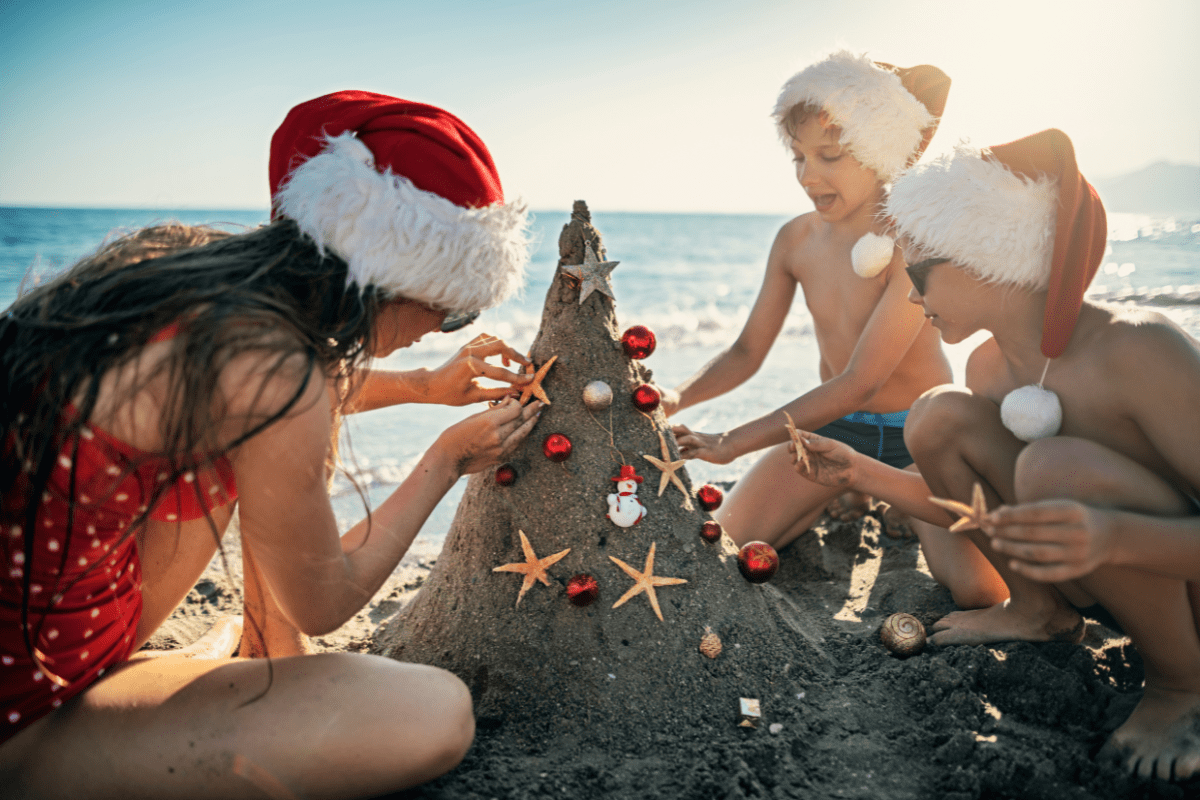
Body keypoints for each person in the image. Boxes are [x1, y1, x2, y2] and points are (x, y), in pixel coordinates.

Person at [0, 90, 542, 797]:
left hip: (42, 636)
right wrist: (444, 460)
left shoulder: (199, 278)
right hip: (28, 716)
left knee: (252, 442)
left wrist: (419, 386)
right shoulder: (275, 373)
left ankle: (266, 651)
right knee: (435, 714)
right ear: (394, 274)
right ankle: (238, 671)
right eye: (451, 304)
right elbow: (326, 600)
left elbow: (291, 392)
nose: (442, 324)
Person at [792, 128, 1200, 781]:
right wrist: (862, 473)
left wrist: (1114, 535)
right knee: (937, 417)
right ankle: (1040, 609)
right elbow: (1003, 513)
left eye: (918, 274)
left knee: (1052, 467)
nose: (910, 296)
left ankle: (1182, 687)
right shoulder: (990, 368)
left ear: (986, 260)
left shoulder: (1137, 350)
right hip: (1099, 576)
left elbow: (1062, 496)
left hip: (1184, 591)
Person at [665, 51, 963, 558]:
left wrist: (733, 441)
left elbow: (862, 381)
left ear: (879, 151)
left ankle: (882, 490)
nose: (807, 175)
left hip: (919, 433)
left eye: (830, 156)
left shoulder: (911, 241)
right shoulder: (794, 242)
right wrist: (676, 397)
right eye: (799, 157)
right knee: (729, 543)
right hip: (836, 429)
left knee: (972, 585)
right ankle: (851, 488)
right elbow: (746, 352)